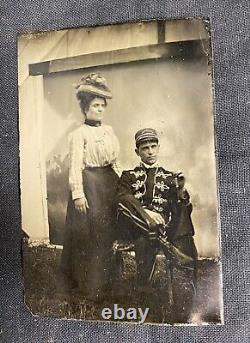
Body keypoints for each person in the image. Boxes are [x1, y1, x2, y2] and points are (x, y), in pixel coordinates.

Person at [60, 73, 120, 301]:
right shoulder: (78, 135)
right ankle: (89, 286)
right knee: (90, 236)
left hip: (108, 185)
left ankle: (109, 282)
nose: (100, 110)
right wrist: (78, 194)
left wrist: (124, 183)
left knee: (108, 234)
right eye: (96, 105)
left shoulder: (109, 131)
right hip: (90, 187)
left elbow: (115, 162)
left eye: (102, 106)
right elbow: (75, 166)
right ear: (85, 108)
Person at [116, 128, 198, 294]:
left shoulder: (170, 177)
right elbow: (122, 199)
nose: (150, 152)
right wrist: (147, 214)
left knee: (180, 209)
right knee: (125, 201)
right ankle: (174, 252)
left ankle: (146, 284)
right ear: (137, 151)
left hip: (161, 227)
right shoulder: (128, 175)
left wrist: (181, 192)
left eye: (153, 146)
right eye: (145, 148)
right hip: (133, 226)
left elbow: (179, 209)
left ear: (159, 148)